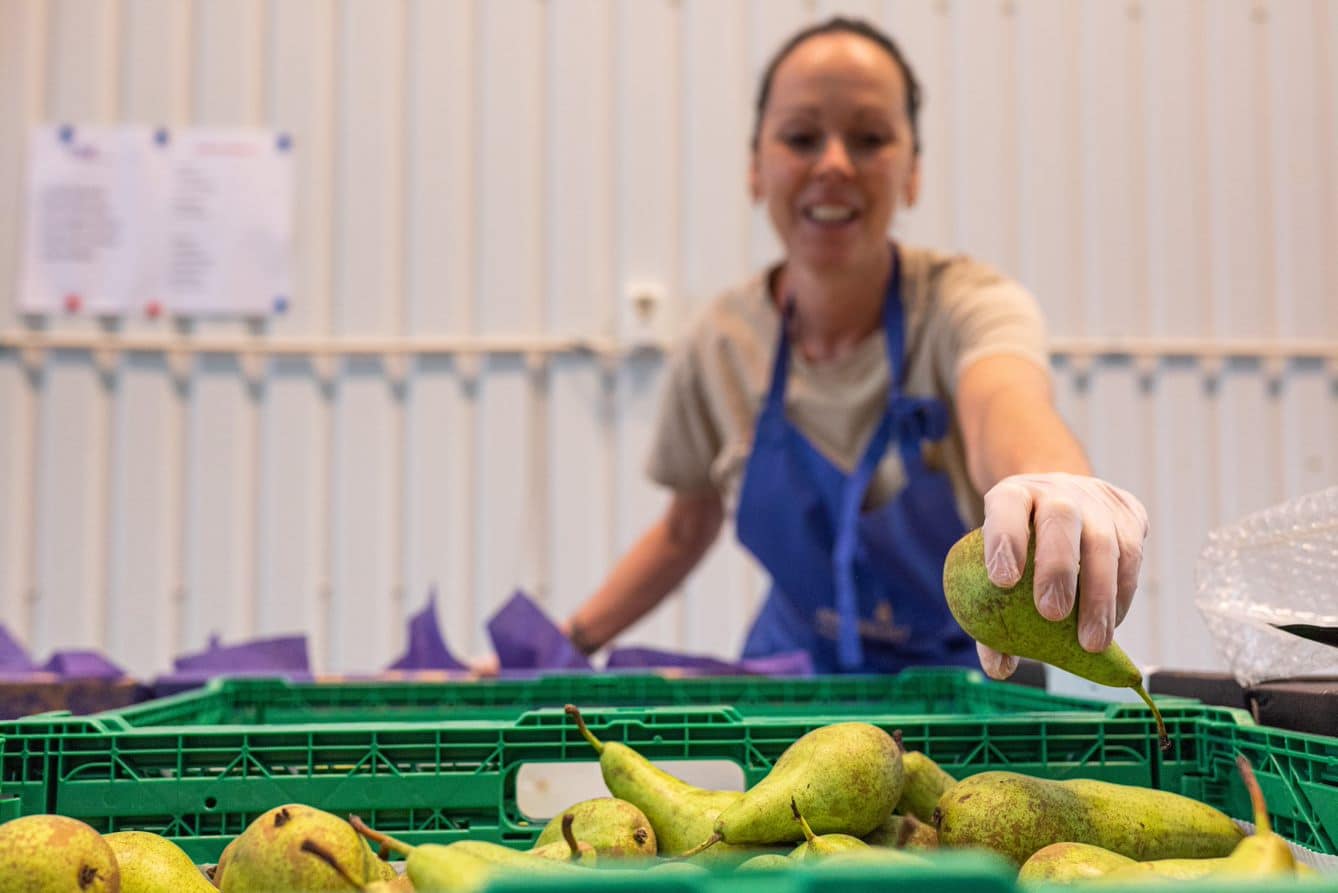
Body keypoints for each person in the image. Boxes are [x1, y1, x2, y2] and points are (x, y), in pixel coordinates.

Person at [559, 17, 1148, 677]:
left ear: (912, 173)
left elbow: (1005, 407)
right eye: (800, 138)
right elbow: (683, 528)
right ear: (755, 169)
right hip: (791, 686)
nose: (834, 164)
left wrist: (1055, 484)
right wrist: (564, 643)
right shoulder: (720, 345)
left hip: (969, 686)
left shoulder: (965, 307)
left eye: (869, 139)